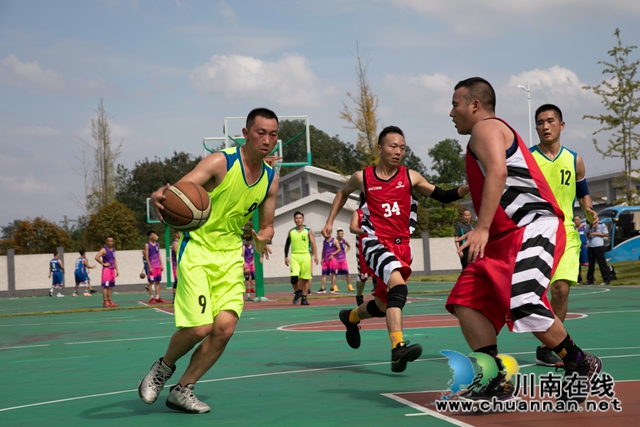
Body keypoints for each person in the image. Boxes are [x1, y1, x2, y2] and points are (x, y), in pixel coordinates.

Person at [445, 77, 601, 404]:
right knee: (466, 299)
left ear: (475, 105)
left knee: (525, 301)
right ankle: (495, 377)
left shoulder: (485, 128)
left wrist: (482, 227)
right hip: (502, 239)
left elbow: (499, 173)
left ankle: (579, 361)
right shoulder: (484, 136)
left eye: (455, 104)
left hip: (532, 228)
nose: (451, 112)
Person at [138, 108, 279, 414]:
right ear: (246, 133)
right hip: (198, 250)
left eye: (273, 134)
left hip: (230, 257)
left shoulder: (270, 179)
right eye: (261, 132)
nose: (267, 140)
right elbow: (178, 191)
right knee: (200, 326)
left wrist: (263, 235)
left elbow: (267, 223)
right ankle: (163, 367)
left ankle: (183, 389)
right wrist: (159, 194)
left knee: (225, 328)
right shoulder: (221, 162)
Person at [322, 125, 469, 372]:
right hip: (374, 242)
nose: (398, 151)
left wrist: (468, 188)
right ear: (380, 148)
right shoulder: (363, 177)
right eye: (393, 146)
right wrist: (329, 221)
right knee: (399, 287)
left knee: (383, 305)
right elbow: (342, 193)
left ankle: (350, 317)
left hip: (402, 246)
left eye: (402, 147)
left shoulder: (411, 177)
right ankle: (398, 348)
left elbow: (443, 195)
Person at [530, 104, 598, 367]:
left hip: (567, 233)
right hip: (534, 234)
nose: (545, 126)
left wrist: (589, 211)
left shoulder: (574, 160)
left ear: (561, 125)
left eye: (550, 121)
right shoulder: (527, 158)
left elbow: (583, 193)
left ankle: (551, 348)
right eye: (540, 122)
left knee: (560, 290)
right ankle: (551, 339)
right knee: (533, 295)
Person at [284, 211, 319, 305]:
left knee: (305, 278)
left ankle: (304, 298)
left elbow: (313, 243)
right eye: (296, 218)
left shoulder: (308, 230)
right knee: (294, 278)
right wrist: (286, 256)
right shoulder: (291, 231)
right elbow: (287, 244)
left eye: (300, 218)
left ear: (303, 220)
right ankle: (298, 291)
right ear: (294, 220)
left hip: (306, 255)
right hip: (295, 256)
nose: (298, 219)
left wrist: (315, 255)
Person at [350, 207, 375, 306]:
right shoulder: (358, 212)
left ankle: (382, 296)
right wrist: (366, 231)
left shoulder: (378, 208)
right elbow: (352, 228)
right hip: (363, 248)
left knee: (381, 272)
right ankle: (359, 295)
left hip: (378, 245)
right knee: (363, 275)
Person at [96, 236, 119, 308]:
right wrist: (103, 264)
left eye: (111, 241)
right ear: (106, 242)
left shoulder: (113, 250)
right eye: (109, 241)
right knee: (105, 286)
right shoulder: (104, 249)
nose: (110, 242)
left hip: (112, 269)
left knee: (110, 286)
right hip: (106, 270)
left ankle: (109, 300)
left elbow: (114, 260)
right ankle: (105, 301)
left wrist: (117, 269)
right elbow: (96, 257)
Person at [586, 221, 611, 285]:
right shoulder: (588, 226)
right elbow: (587, 234)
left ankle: (606, 279)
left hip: (599, 246)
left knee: (602, 263)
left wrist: (596, 234)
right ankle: (590, 279)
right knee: (591, 264)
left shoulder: (601, 224)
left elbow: (606, 234)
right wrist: (589, 234)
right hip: (591, 246)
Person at [145, 230, 166, 304]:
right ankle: (151, 298)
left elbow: (158, 254)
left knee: (158, 282)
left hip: (158, 266)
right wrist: (149, 267)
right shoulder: (147, 245)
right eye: (153, 234)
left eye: (155, 234)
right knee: (151, 282)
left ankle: (157, 297)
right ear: (150, 236)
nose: (155, 236)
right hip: (152, 266)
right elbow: (146, 256)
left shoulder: (157, 244)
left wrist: (161, 264)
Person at [574, 215, 589, 283]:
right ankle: (578, 278)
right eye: (575, 220)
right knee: (577, 264)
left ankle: (590, 278)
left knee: (587, 263)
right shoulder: (574, 228)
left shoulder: (585, 227)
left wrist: (588, 243)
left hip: (584, 247)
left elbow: (588, 235)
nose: (576, 221)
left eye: (577, 220)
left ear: (580, 219)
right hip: (577, 248)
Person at [171, 231, 180, 303]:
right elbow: (177, 254)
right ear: (176, 234)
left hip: (179, 265)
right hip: (176, 265)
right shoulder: (176, 243)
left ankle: (177, 297)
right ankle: (174, 298)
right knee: (177, 281)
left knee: (179, 281)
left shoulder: (179, 242)